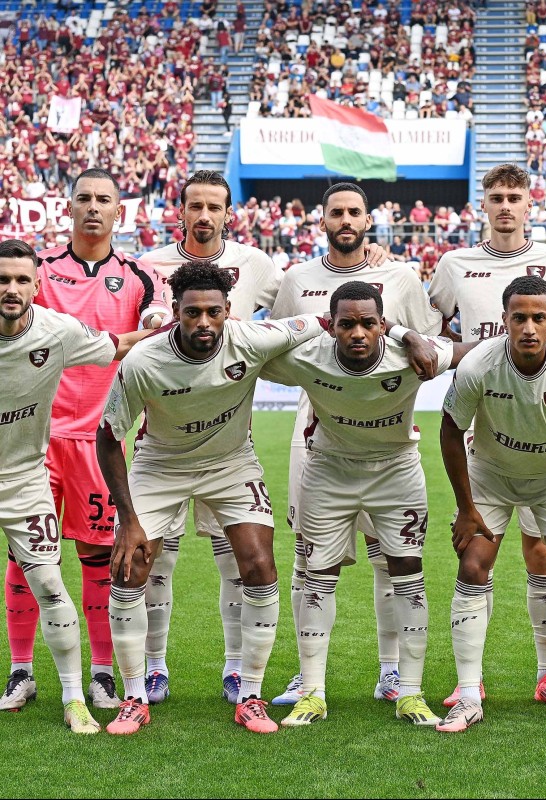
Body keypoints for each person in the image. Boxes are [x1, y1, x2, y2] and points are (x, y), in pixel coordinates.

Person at [137, 171, 390, 706]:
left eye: (214, 206)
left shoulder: (258, 265)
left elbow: (290, 327)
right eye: (194, 206)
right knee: (160, 557)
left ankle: (235, 670)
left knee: (237, 556)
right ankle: (154, 669)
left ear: (229, 213)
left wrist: (375, 268)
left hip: (230, 443)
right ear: (177, 211)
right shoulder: (149, 265)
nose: (204, 215)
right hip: (160, 440)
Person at [95, 261, 326, 735]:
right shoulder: (144, 362)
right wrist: (129, 518)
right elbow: (107, 436)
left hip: (231, 463)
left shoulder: (250, 338)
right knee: (131, 565)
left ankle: (251, 695)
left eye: (214, 312)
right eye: (193, 312)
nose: (204, 322)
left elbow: (321, 320)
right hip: (161, 465)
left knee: (260, 564)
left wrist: (407, 335)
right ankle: (134, 696)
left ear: (228, 311)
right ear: (175, 311)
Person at [428, 162, 546, 708]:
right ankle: (469, 687)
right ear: (483, 203)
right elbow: (433, 329)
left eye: (515, 196)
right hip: (491, 424)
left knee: (545, 556)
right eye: (496, 196)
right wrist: (459, 357)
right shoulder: (454, 263)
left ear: (530, 203)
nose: (506, 205)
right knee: (480, 558)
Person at [267, 182, 445, 707]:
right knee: (310, 560)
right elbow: (276, 339)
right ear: (322, 221)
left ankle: (392, 671)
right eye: (336, 212)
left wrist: (410, 335)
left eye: (354, 212)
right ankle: (308, 678)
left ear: (370, 220)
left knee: (386, 557)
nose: (345, 220)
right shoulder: (298, 278)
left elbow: (427, 339)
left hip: (387, 427)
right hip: (317, 429)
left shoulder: (400, 275)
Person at [0, 169, 168, 713]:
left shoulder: (139, 275)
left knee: (99, 556)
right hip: (37, 441)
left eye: (104, 200)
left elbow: (152, 324)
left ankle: (100, 674)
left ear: (121, 211)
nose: (93, 208)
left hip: (100, 439)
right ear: (68, 208)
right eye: (84, 199)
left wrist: (159, 318)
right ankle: (21, 671)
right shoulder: (37, 272)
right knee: (23, 558)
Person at [262, 281, 466, 727]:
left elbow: (472, 353)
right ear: (331, 327)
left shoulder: (413, 356)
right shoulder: (305, 358)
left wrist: (408, 336)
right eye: (347, 324)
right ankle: (313, 693)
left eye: (369, 324)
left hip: (396, 471)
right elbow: (253, 348)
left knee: (407, 575)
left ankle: (409, 693)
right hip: (328, 472)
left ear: (382, 325)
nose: (358, 333)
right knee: (317, 578)